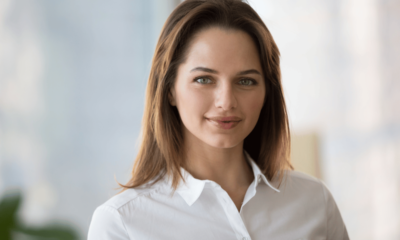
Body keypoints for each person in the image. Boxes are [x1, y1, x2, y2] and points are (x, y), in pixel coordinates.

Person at [87, 0, 349, 239]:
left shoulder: (315, 202)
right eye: (204, 79)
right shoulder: (121, 223)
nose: (226, 101)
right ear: (169, 90)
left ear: (267, 92)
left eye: (246, 81)